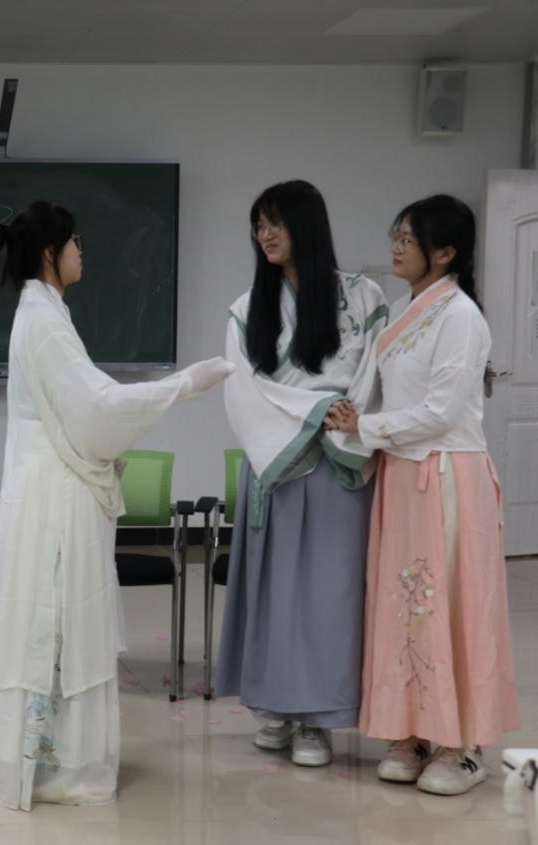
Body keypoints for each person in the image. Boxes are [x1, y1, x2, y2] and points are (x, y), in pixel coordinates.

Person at [0, 200, 234, 810]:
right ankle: (59, 767)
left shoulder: (42, 311)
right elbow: (98, 410)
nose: (82, 252)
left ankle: (38, 756)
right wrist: (183, 385)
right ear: (49, 253)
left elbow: (87, 404)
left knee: (45, 620)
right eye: (75, 242)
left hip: (42, 484)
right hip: (56, 493)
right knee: (58, 619)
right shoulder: (44, 319)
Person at [327, 194, 519, 795]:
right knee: (403, 605)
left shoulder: (460, 316)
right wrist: (353, 417)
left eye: (408, 239)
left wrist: (366, 427)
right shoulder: (402, 309)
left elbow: (442, 411)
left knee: (452, 603)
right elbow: (380, 388)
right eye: (397, 235)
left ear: (445, 252)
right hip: (402, 475)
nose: (396, 247)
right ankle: (408, 733)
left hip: (447, 475)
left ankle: (463, 746)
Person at [216, 179, 388, 767]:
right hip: (278, 462)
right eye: (258, 225)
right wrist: (314, 411)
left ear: (306, 226)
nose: (264, 235)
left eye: (276, 223)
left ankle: (318, 719)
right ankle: (275, 708)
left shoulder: (362, 297)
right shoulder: (247, 309)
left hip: (338, 462)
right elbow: (244, 393)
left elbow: (373, 373)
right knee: (275, 593)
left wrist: (350, 418)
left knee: (329, 594)